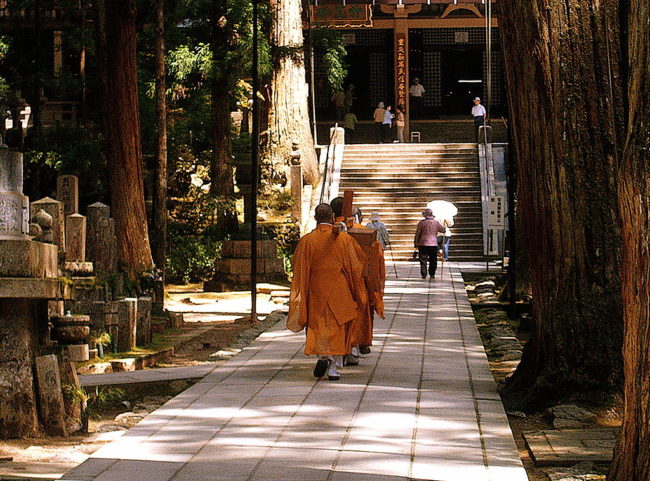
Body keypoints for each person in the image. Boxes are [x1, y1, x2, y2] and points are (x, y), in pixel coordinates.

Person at [287, 204, 367, 381]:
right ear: (332, 217)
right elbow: (357, 265)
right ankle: (333, 368)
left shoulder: (307, 241)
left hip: (316, 289)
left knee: (318, 325)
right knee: (338, 327)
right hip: (340, 289)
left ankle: (323, 356)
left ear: (316, 218)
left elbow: (298, 267)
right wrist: (357, 290)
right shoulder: (344, 240)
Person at [414, 209, 446, 279]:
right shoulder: (436, 222)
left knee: (423, 260)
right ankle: (432, 273)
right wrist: (444, 227)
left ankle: (424, 274)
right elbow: (443, 230)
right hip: (433, 244)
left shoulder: (421, 223)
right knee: (433, 260)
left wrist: (416, 243)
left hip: (423, 244)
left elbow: (418, 234)